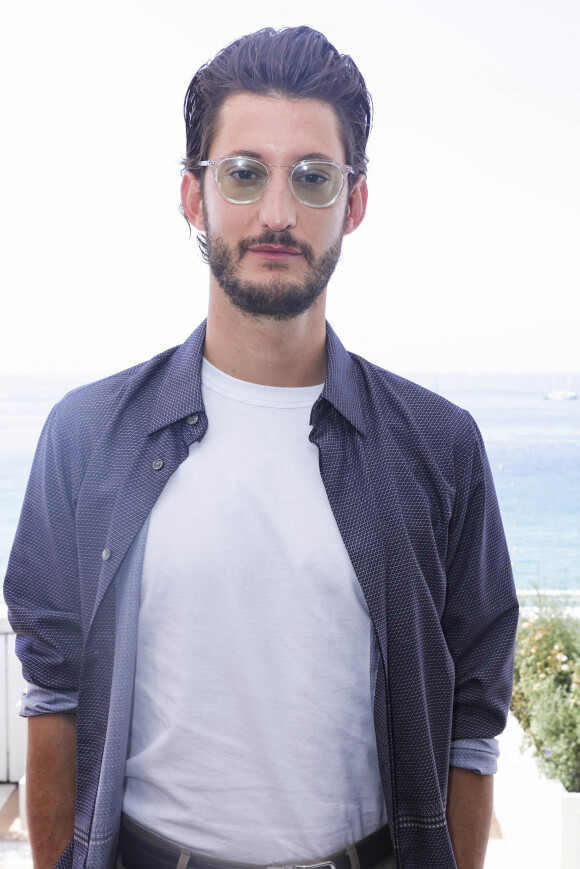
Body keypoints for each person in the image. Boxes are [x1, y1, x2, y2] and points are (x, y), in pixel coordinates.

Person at [4, 25, 518, 869]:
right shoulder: (87, 434)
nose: (277, 213)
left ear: (353, 202)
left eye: (312, 178)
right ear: (191, 195)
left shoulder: (440, 445)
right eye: (243, 173)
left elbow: (471, 714)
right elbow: (53, 689)